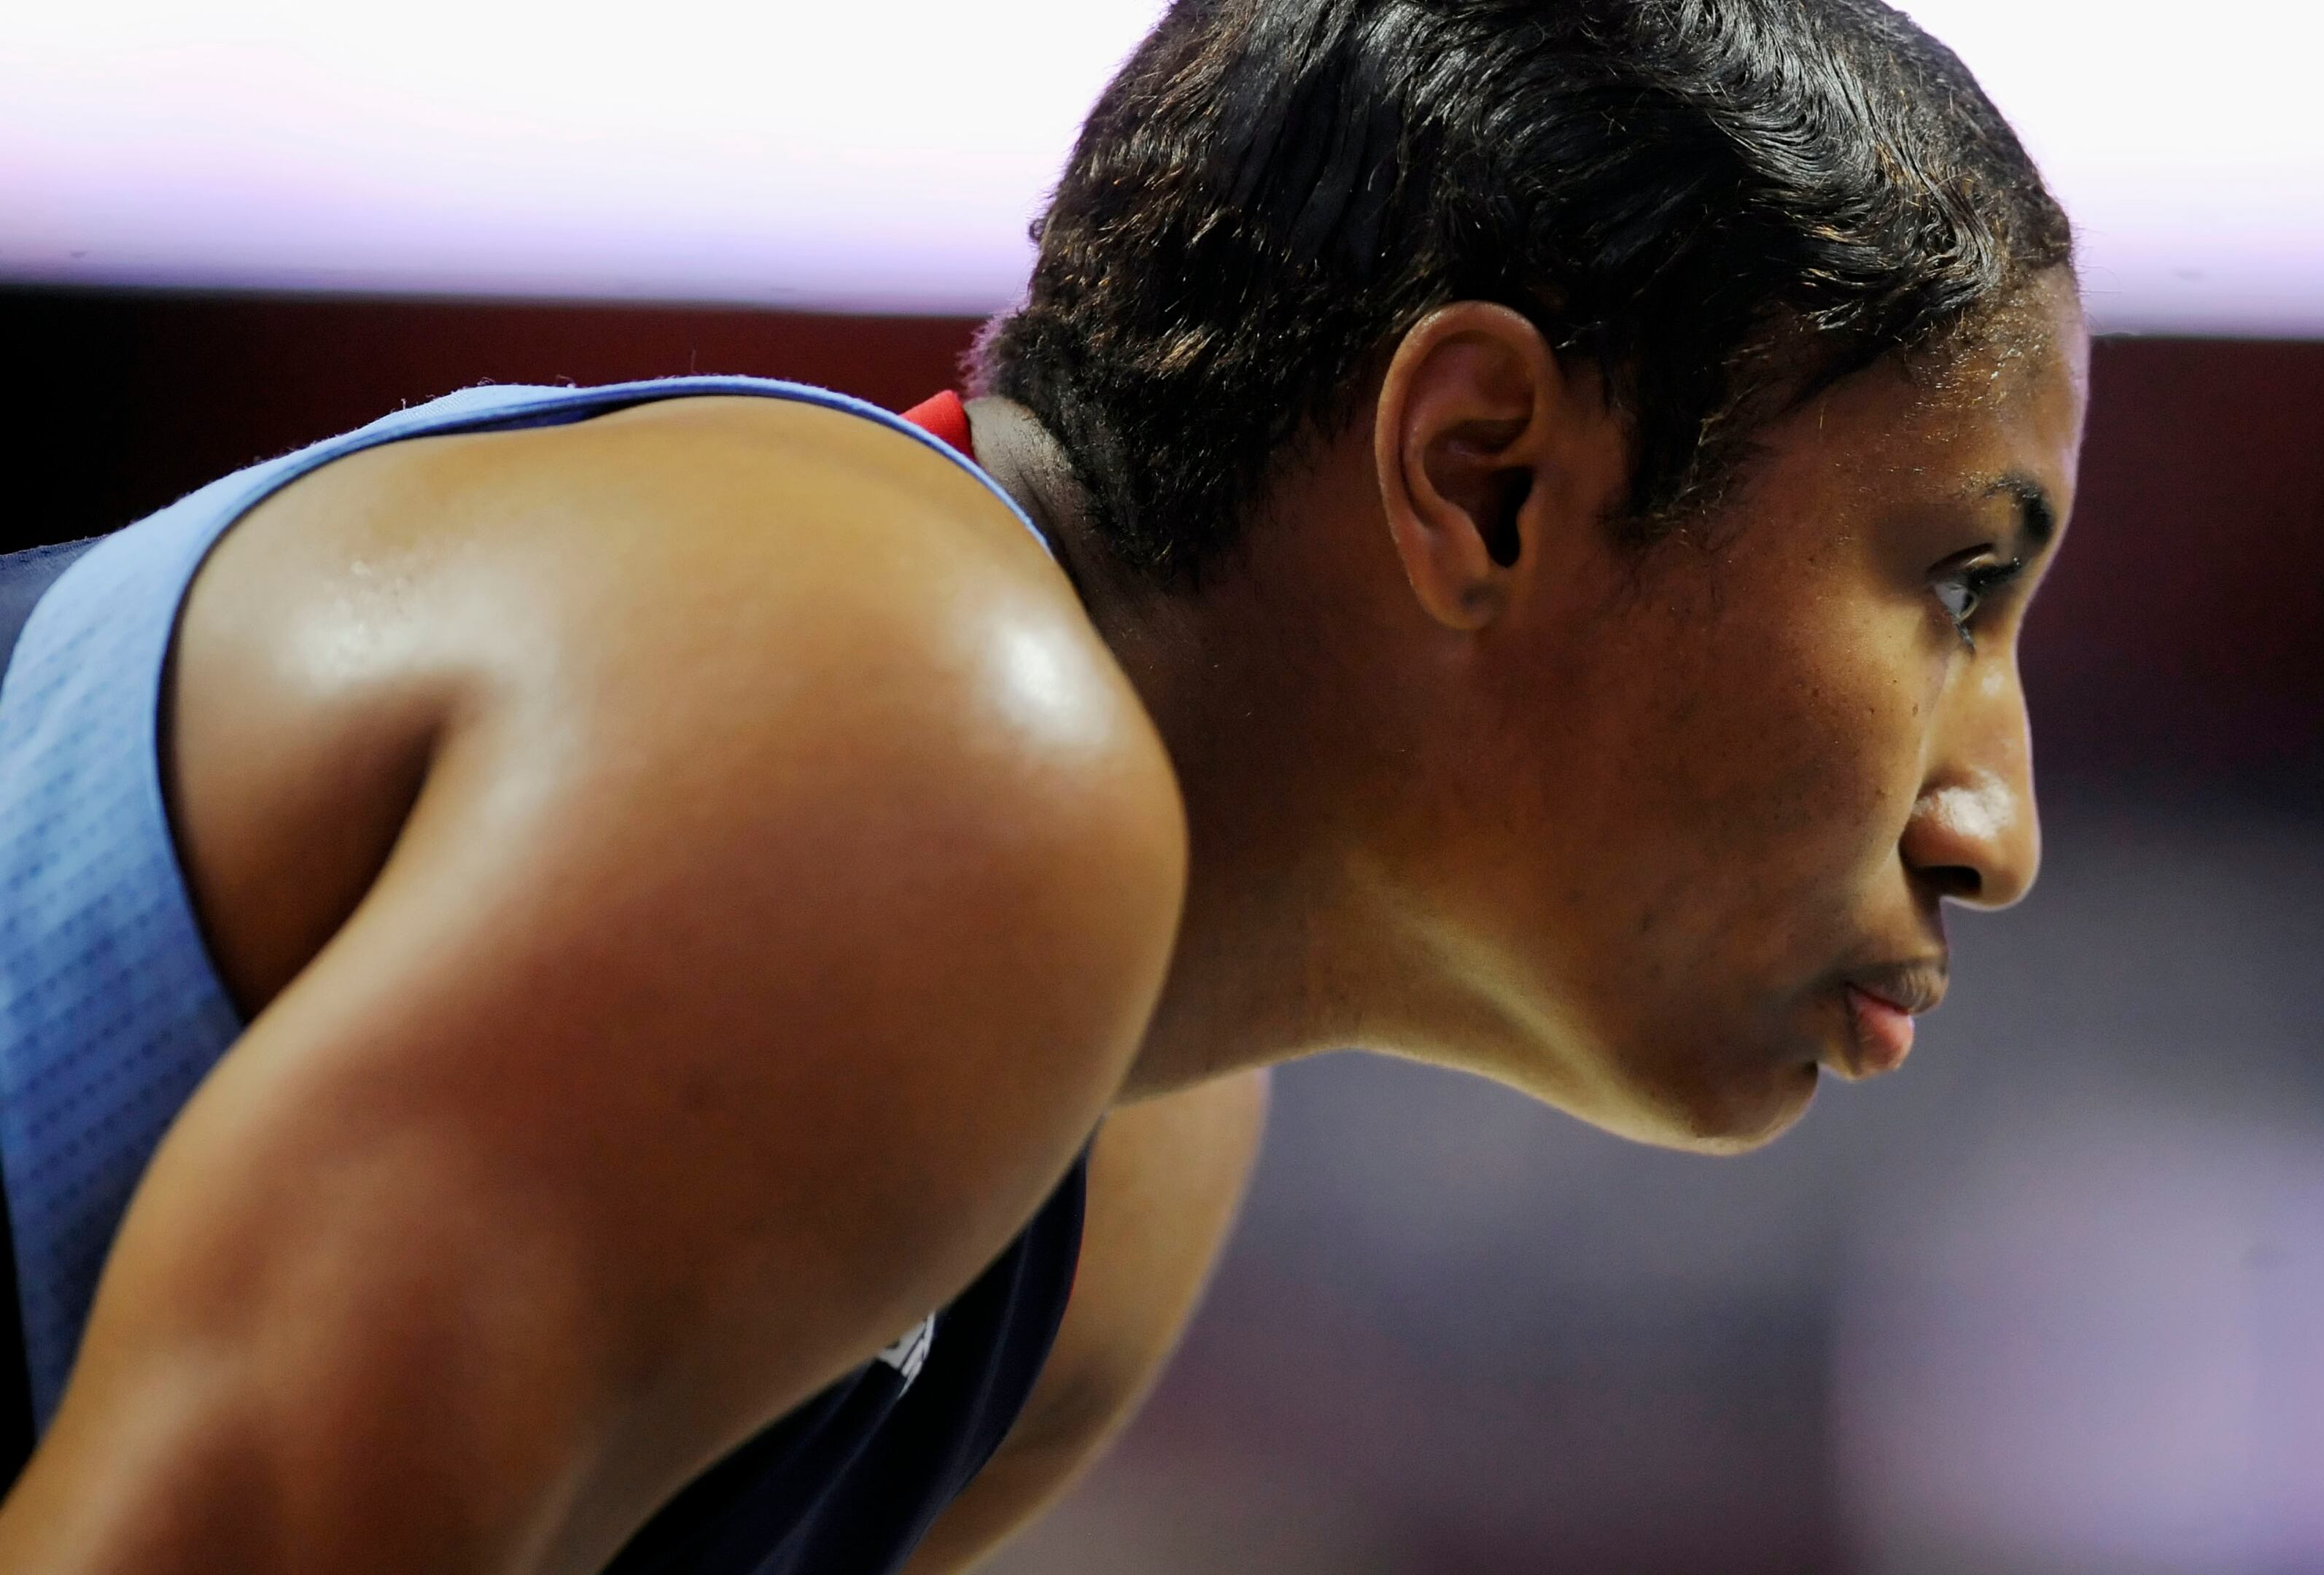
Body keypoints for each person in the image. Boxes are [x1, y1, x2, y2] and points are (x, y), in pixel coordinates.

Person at [0, 0, 2084, 1569]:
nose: (1993, 827)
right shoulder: (907, 742)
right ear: (1488, 476)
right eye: (1956, 586)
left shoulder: (1124, 1172)